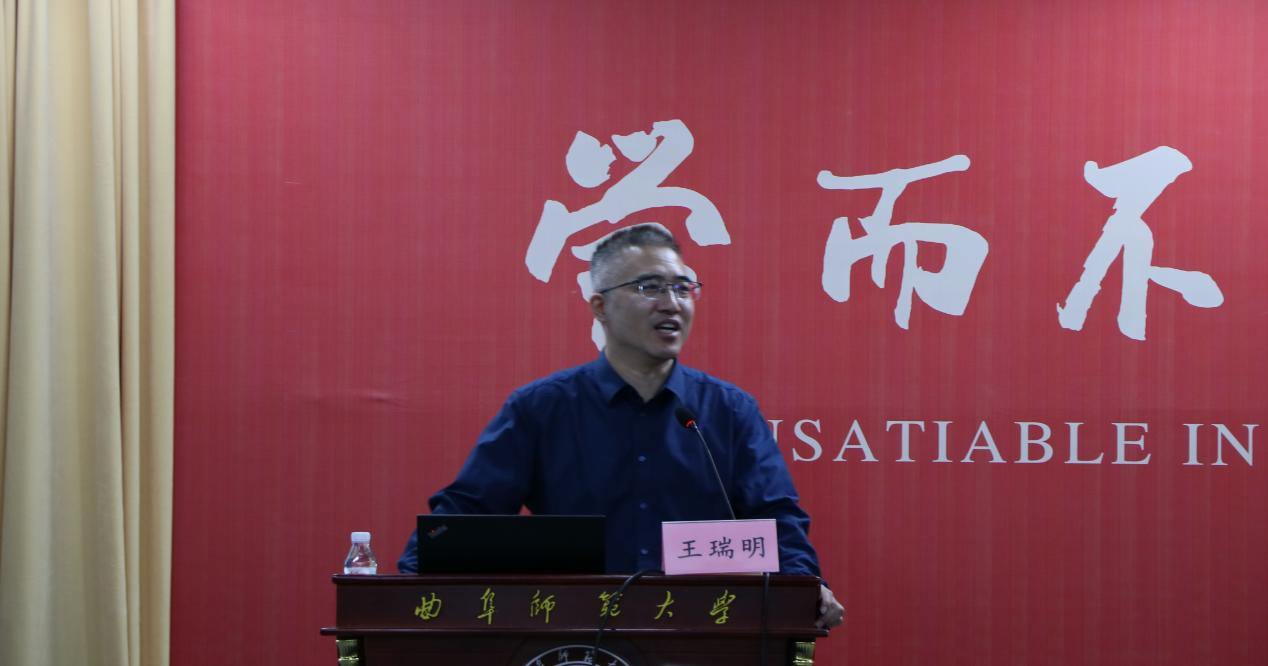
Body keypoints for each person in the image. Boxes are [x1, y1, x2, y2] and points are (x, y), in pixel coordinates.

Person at [398, 223, 844, 628]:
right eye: (649, 287)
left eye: (683, 288)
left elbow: (776, 518)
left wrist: (804, 586)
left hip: (701, 630)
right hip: (575, 632)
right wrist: (405, 587)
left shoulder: (729, 411)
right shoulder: (542, 408)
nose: (671, 304)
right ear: (601, 306)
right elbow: (467, 513)